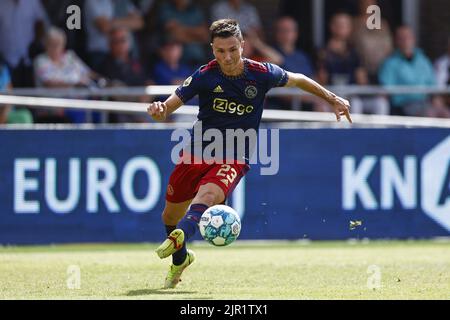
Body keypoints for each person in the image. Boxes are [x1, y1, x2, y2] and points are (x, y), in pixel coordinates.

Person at [147, 19, 351, 289]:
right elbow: (171, 105)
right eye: (220, 51)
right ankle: (181, 259)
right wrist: (160, 110)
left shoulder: (261, 73)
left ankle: (180, 236)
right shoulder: (204, 75)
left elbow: (299, 79)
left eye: (233, 49)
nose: (228, 57)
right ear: (212, 50)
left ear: (243, 45)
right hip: (198, 152)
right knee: (169, 217)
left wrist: (333, 98)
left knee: (207, 196)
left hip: (236, 153)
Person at [379, 26, 449, 117]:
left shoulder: (423, 60)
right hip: (405, 105)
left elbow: (432, 83)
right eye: (402, 38)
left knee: (446, 114)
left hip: (425, 102)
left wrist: (436, 98)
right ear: (396, 41)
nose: (406, 41)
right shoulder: (390, 63)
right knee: (429, 114)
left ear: (413, 40)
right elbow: (386, 90)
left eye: (408, 37)